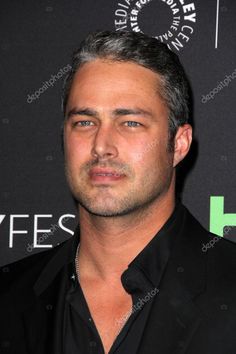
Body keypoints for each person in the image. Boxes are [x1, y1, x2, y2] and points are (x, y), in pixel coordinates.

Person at [1, 30, 236, 354]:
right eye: (84, 122)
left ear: (178, 145)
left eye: (130, 123)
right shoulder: (10, 295)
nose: (101, 146)